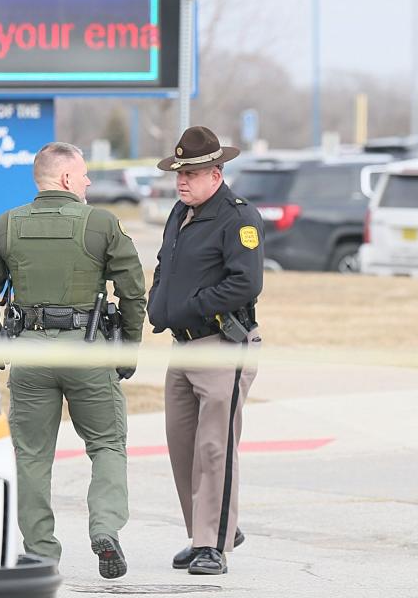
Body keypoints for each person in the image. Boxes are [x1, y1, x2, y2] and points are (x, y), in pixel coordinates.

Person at [0, 142, 146, 579]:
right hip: (87, 351)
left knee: (30, 454)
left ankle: (41, 549)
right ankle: (104, 529)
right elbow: (134, 292)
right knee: (106, 444)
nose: (87, 182)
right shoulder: (101, 224)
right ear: (66, 178)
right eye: (83, 174)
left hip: (30, 351)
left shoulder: (5, 225)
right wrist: (128, 347)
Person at [147, 126, 264, 576]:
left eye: (192, 173)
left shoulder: (239, 218)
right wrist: (161, 306)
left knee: (215, 448)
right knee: (182, 447)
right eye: (179, 172)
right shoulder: (181, 212)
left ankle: (213, 543)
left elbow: (246, 283)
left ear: (216, 174)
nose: (182, 180)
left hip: (222, 346)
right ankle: (208, 530)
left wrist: (191, 306)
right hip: (184, 346)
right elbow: (165, 266)